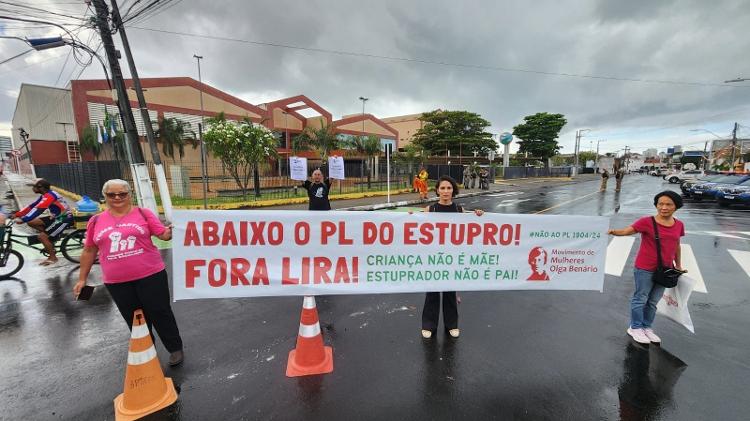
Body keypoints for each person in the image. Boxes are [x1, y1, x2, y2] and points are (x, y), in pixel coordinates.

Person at [73, 179, 184, 366]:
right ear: (105, 196)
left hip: (151, 275)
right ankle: (147, 350)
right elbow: (89, 250)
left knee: (160, 312)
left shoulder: (143, 213)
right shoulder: (96, 220)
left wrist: (174, 230)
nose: (117, 197)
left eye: (122, 194)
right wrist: (82, 279)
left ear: (129, 194)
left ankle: (175, 348)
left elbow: (162, 234)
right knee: (135, 318)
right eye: (112, 194)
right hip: (116, 282)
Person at [608, 191, 685, 345]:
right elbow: (627, 231)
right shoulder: (647, 222)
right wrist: (613, 232)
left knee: (653, 301)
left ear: (676, 206)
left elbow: (676, 245)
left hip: (665, 270)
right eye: (660, 204)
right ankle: (635, 327)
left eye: (668, 204)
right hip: (645, 267)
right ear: (656, 205)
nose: (663, 207)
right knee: (640, 299)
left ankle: (646, 327)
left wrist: (678, 265)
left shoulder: (679, 224)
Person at [421, 175, 484, 339]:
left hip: (452, 257)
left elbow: (471, 226)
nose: (445, 191)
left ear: (453, 190)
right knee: (432, 291)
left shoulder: (459, 210)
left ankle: (452, 324)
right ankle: (429, 324)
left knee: (450, 291)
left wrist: (478, 214)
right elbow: (416, 229)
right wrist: (409, 216)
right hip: (434, 257)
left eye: (449, 188)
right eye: (442, 188)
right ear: (437, 190)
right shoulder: (430, 210)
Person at [14, 178, 74, 266]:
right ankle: (51, 238)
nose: (33, 189)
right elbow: (33, 206)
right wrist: (17, 215)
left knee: (42, 237)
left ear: (41, 188)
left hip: (63, 218)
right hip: (55, 217)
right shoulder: (45, 195)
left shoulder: (50, 196)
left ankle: (53, 257)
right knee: (32, 222)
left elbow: (39, 209)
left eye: (35, 187)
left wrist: (23, 219)